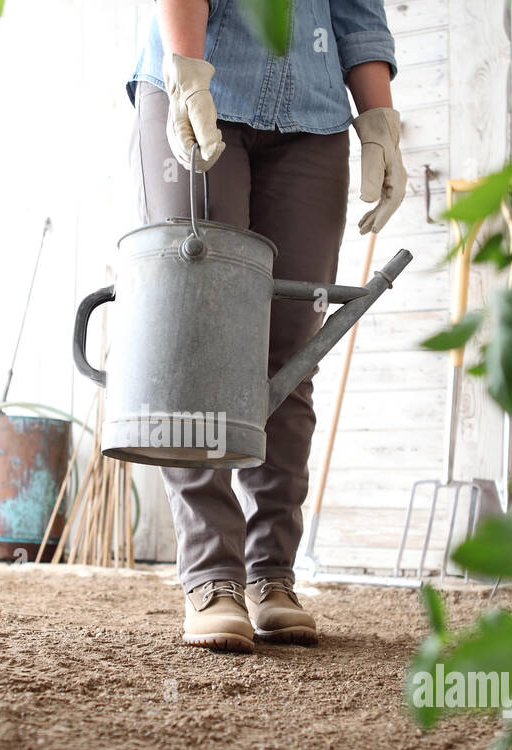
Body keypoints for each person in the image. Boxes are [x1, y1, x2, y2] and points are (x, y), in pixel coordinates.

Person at [128, 0, 406, 653]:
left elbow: (356, 10)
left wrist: (379, 121)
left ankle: (271, 575)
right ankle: (212, 577)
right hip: (199, 82)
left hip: (311, 117)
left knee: (293, 355)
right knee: (196, 343)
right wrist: (188, 70)